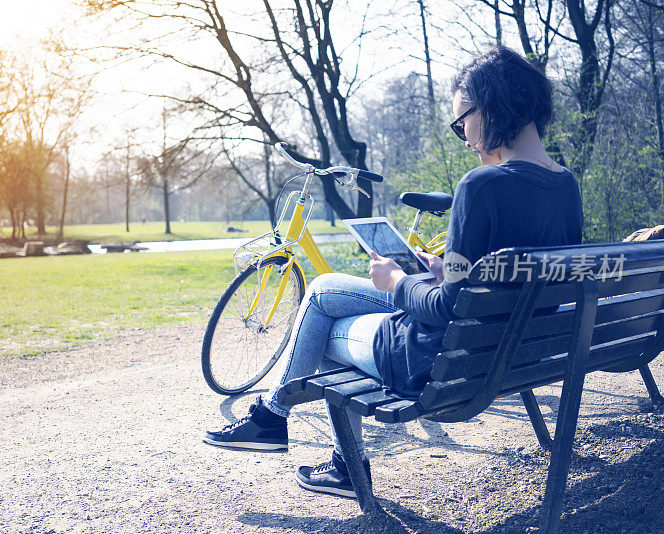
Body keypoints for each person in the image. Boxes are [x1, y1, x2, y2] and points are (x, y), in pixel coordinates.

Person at [203, 45, 583, 499]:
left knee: (322, 319)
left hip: (432, 364)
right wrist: (446, 271)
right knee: (323, 288)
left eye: (462, 120)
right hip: (516, 353)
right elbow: (509, 282)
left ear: (494, 105)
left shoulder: (482, 185)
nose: (463, 135)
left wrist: (400, 283)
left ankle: (314, 446)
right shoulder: (566, 185)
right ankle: (273, 419)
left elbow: (443, 311)